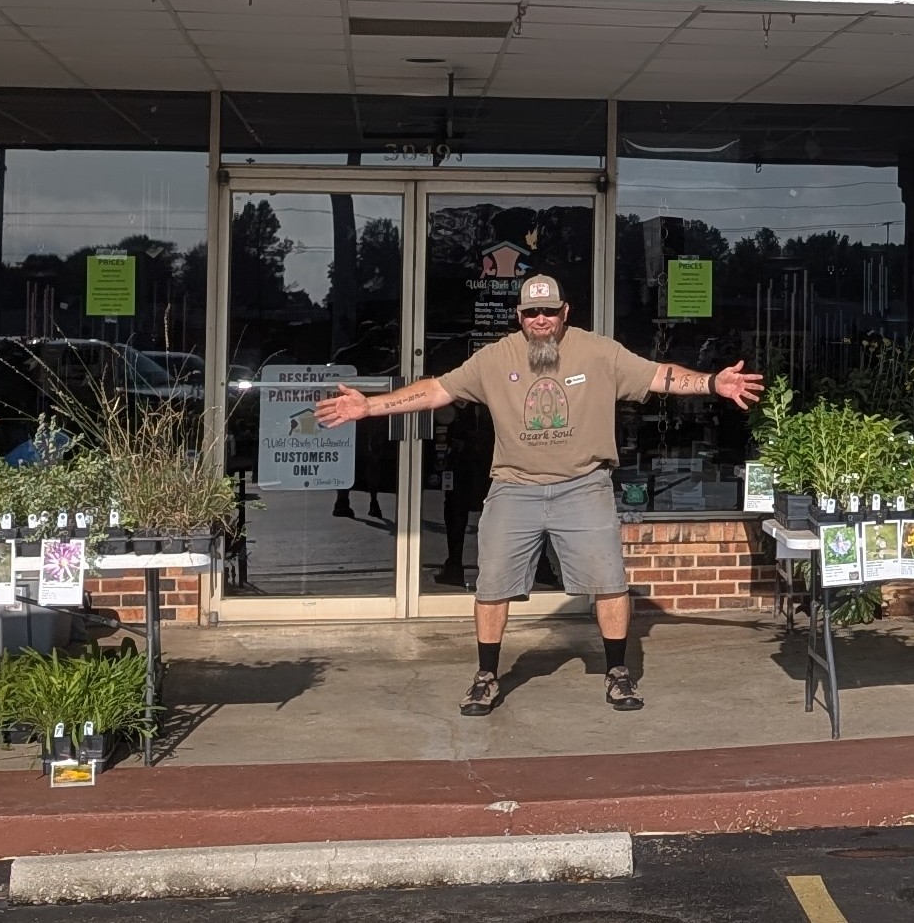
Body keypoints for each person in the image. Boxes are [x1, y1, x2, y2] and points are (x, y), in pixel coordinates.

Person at [315, 273, 761, 715]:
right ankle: (486, 675)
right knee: (492, 585)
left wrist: (712, 383)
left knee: (609, 582)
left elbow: (659, 375)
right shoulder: (495, 358)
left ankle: (617, 671)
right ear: (519, 316)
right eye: (532, 312)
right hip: (515, 488)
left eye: (549, 311)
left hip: (584, 486)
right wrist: (370, 406)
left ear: (565, 312)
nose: (541, 319)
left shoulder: (598, 352)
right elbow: (438, 389)